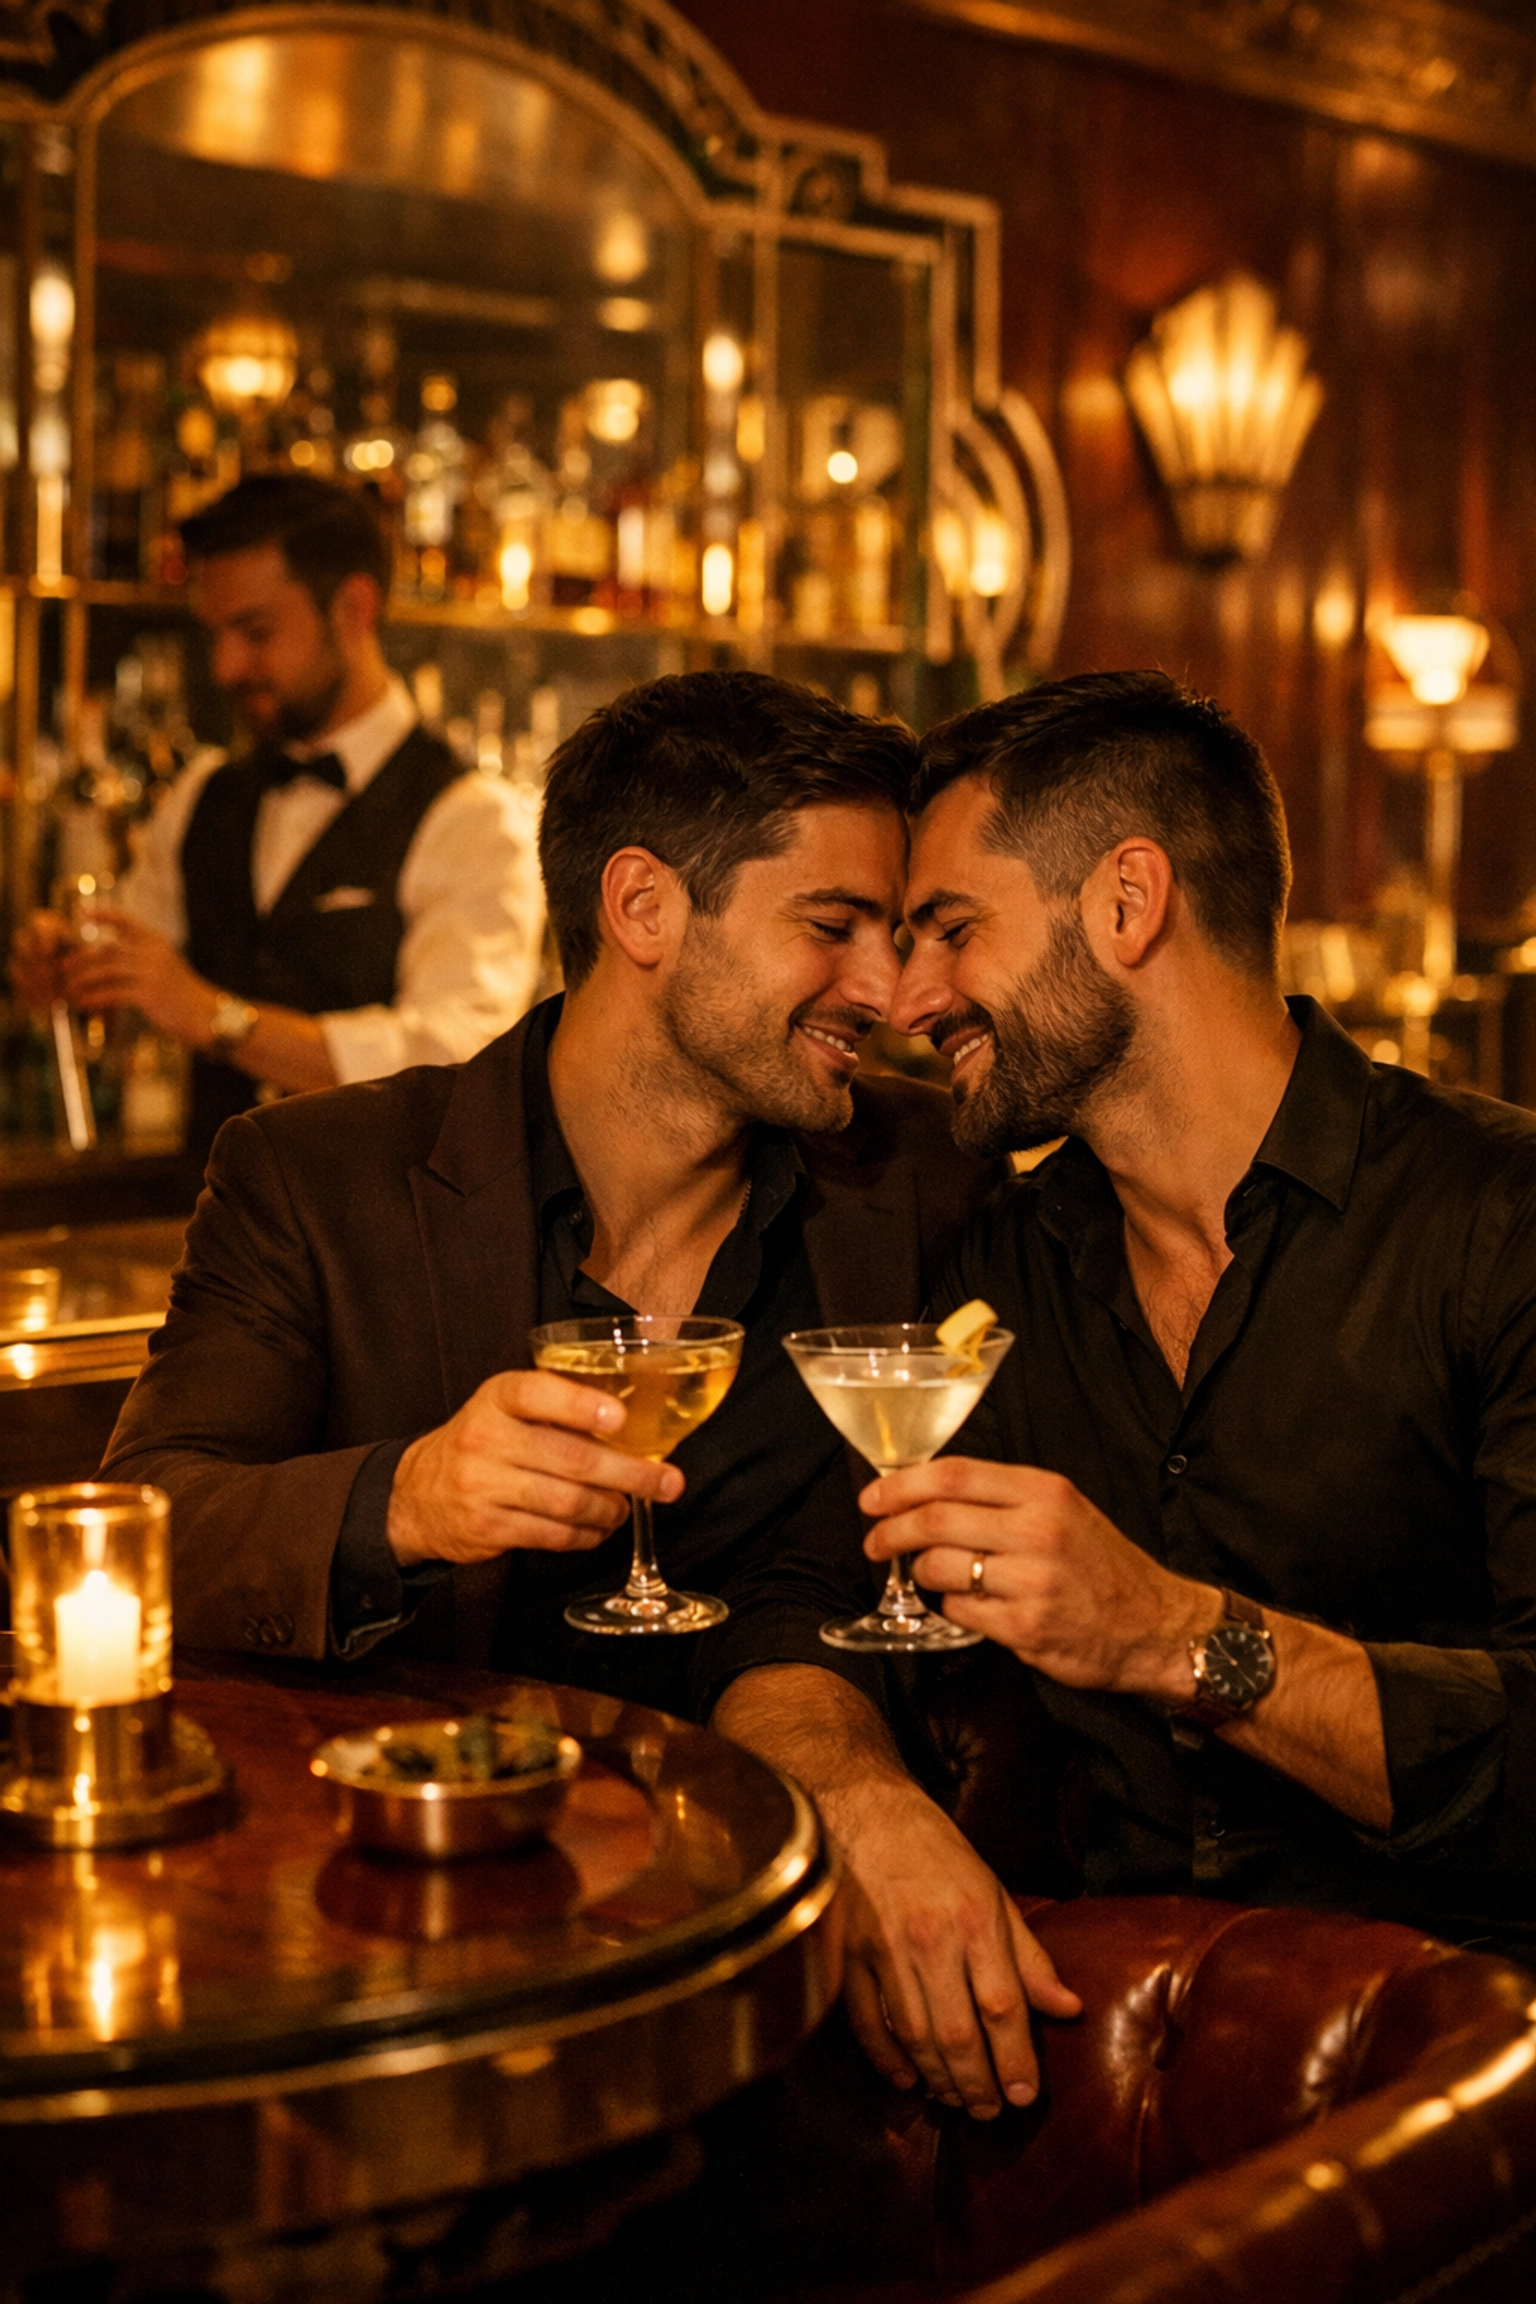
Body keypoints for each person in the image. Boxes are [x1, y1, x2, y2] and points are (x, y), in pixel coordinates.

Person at [103, 669, 1077, 2111]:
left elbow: (860, 1572)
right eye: (834, 927)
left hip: (781, 1986)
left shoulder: (919, 1180)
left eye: (899, 931)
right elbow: (144, 1528)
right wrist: (405, 1499)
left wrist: (856, 1786)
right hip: (416, 1966)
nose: (885, 992)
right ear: (641, 908)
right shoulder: (317, 1181)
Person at [859, 667, 1536, 1979]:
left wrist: (1173, 1634)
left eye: (949, 929)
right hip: (1094, 2031)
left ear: (1127, 903)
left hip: (1461, 2053)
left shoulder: (1499, 1222)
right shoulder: (997, 1271)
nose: (908, 999)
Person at [9, 474, 544, 1166]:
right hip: (205, 1229)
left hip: (385, 1254)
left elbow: (456, 1062)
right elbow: (141, 980)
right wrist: (72, 969)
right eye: (216, 635)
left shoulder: (472, 821)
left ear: (353, 609)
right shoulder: (203, 794)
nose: (227, 666)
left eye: (255, 632)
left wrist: (219, 1019)